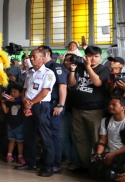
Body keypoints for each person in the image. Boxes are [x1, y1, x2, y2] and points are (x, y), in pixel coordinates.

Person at [67, 45, 111, 173]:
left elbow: (97, 82)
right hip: (77, 109)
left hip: (94, 110)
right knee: (80, 138)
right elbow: (72, 84)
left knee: (96, 139)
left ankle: (98, 166)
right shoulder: (79, 67)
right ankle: (85, 165)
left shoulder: (104, 69)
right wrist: (72, 71)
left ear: (100, 57)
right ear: (85, 56)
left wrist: (87, 67)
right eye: (90, 56)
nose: (93, 59)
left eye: (96, 56)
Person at [15, 49, 55, 177]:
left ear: (42, 58)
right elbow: (25, 90)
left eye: (34, 57)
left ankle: (48, 166)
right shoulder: (29, 73)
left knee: (45, 136)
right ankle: (30, 162)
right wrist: (25, 100)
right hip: (28, 105)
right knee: (29, 135)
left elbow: (44, 92)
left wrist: (30, 103)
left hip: (40, 106)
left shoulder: (48, 73)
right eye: (31, 57)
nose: (31, 59)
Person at [39, 45, 67, 174]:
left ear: (47, 55)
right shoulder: (41, 69)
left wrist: (60, 105)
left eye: (39, 55)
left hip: (54, 104)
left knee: (54, 134)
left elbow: (62, 87)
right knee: (45, 134)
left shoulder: (56, 67)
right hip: (44, 105)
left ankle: (56, 163)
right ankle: (46, 160)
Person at [91, 97, 125, 178]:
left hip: (122, 154)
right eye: (109, 105)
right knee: (94, 172)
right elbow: (102, 140)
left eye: (114, 105)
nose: (110, 106)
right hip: (109, 152)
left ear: (123, 108)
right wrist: (98, 154)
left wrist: (113, 154)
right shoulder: (105, 120)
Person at [1, 83, 25, 164]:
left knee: (20, 141)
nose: (12, 93)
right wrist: (2, 102)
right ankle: (9, 155)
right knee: (11, 140)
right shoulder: (9, 102)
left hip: (20, 124)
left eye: (15, 92)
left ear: (20, 93)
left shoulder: (22, 102)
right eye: (11, 92)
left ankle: (20, 156)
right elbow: (6, 111)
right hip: (10, 124)